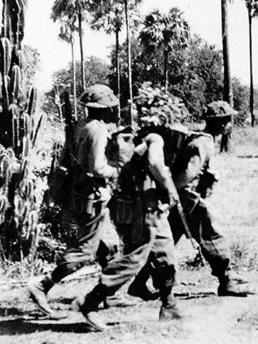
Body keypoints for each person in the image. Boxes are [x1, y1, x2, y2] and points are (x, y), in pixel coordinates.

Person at [127, 104, 252, 298]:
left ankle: (138, 283)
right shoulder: (205, 142)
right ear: (221, 123)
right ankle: (226, 281)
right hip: (187, 199)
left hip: (179, 200)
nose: (230, 124)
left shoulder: (199, 139)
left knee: (163, 244)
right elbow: (190, 171)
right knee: (212, 235)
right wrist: (174, 192)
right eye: (228, 120)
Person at [72, 127, 184, 330]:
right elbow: (155, 163)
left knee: (164, 254)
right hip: (145, 208)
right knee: (136, 259)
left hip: (142, 207)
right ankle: (90, 302)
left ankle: (169, 306)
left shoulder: (136, 140)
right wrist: (170, 189)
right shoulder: (155, 139)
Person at [26, 85, 122, 319]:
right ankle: (42, 285)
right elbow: (97, 167)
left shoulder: (79, 125)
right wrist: (116, 171)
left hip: (80, 194)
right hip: (92, 196)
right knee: (84, 250)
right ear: (105, 108)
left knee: (108, 243)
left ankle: (110, 293)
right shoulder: (97, 130)